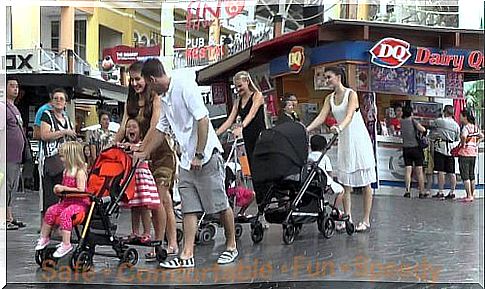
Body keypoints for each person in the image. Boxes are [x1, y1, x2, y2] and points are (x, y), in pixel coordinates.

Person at [134, 58, 238, 268]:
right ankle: (186, 255)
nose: (147, 90)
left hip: (206, 155)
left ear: (153, 79)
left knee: (219, 204)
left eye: (148, 84)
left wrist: (199, 154)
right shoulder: (164, 98)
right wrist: (143, 152)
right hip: (185, 159)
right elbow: (161, 129)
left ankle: (231, 246)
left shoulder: (184, 85)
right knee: (189, 208)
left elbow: (203, 119)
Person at [115, 60, 178, 259]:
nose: (135, 83)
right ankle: (155, 240)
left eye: (138, 79)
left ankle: (167, 243)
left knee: (161, 200)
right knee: (147, 201)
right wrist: (112, 144)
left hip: (160, 155)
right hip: (140, 159)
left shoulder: (156, 98)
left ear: (147, 78)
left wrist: (142, 149)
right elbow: (124, 126)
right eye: (132, 80)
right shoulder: (131, 102)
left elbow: (154, 126)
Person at [306, 66, 375, 233]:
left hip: (358, 140)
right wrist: (306, 129)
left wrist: (339, 127)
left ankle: (366, 219)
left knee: (366, 182)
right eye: (326, 78)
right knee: (346, 183)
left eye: (329, 77)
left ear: (338, 77)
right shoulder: (329, 98)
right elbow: (322, 116)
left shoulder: (351, 94)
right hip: (344, 141)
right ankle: (348, 217)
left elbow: (350, 114)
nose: (327, 80)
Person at [35, 141, 89, 258]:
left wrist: (64, 188)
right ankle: (44, 237)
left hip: (79, 203)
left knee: (65, 214)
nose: (61, 159)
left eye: (62, 156)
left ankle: (66, 243)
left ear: (71, 156)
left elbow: (81, 190)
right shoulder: (66, 171)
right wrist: (59, 190)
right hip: (66, 201)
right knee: (50, 211)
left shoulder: (79, 172)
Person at [120, 118, 161, 244]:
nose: (131, 129)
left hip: (141, 177)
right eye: (128, 127)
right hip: (131, 179)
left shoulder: (143, 144)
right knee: (134, 207)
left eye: (134, 127)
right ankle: (135, 232)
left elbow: (145, 153)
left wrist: (133, 148)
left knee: (144, 207)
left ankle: (147, 232)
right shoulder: (124, 145)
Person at [216, 71, 265, 168]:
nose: (238, 89)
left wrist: (241, 127)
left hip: (260, 136)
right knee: (253, 166)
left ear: (247, 81)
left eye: (240, 86)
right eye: (236, 87)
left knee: (262, 165)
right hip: (248, 138)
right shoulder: (237, 102)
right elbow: (229, 121)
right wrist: (215, 134)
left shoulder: (257, 95)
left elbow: (252, 114)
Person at [39, 88, 76, 215]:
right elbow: (44, 135)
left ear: (66, 103)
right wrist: (64, 132)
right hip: (51, 161)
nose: (59, 101)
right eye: (56, 98)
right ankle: (48, 226)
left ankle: (60, 223)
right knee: (50, 195)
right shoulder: (47, 115)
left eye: (61, 99)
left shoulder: (67, 118)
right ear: (52, 101)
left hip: (65, 163)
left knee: (63, 195)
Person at [5, 76, 27, 230]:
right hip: (6, 155)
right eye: (12, 86)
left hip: (16, 157)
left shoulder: (14, 107)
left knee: (11, 188)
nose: (15, 89)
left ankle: (9, 216)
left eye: (17, 86)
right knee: (4, 188)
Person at [429, 105, 460, 199]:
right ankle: (452, 192)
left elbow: (430, 124)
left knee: (441, 171)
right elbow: (457, 138)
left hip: (440, 147)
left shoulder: (440, 121)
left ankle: (441, 192)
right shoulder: (456, 125)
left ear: (445, 112)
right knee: (452, 172)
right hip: (450, 149)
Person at [400, 105, 428, 199]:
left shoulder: (402, 121)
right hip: (416, 148)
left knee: (408, 171)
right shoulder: (413, 120)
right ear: (411, 112)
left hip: (406, 148)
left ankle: (407, 191)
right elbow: (423, 129)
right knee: (419, 171)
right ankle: (421, 192)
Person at [456, 109, 483, 202]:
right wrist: (476, 144)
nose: (460, 118)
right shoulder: (475, 127)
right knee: (472, 175)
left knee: (465, 175)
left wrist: (463, 144)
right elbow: (482, 136)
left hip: (465, 153)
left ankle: (469, 195)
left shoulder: (466, 127)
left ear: (465, 117)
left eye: (461, 116)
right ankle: (472, 194)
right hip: (473, 153)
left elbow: (463, 136)